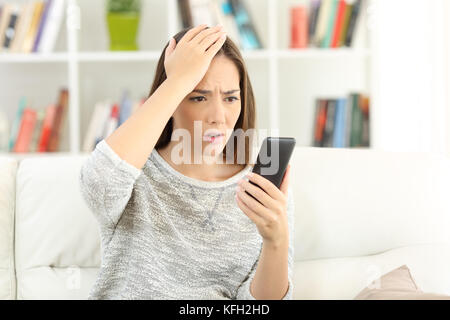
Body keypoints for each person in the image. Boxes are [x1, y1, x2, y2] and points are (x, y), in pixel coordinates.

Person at [79, 24, 295, 300]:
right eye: (198, 97)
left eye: (230, 98)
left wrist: (276, 240)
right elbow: (97, 186)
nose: (219, 116)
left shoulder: (260, 188)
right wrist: (178, 80)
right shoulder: (134, 173)